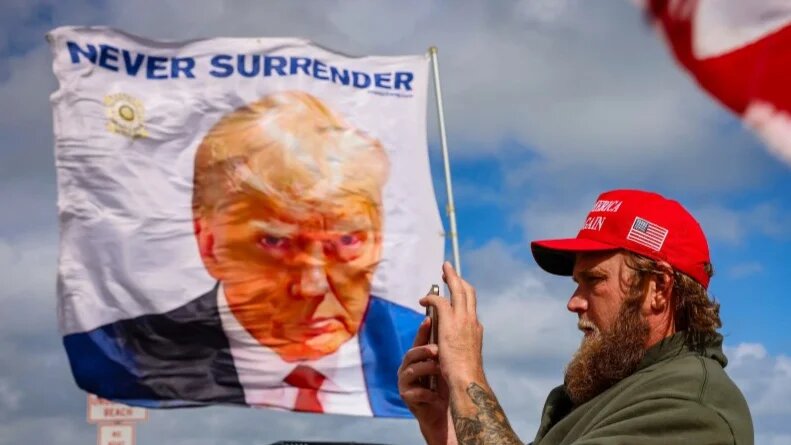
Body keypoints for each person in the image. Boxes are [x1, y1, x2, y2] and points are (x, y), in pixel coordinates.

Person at [64, 91, 422, 416]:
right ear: (209, 244)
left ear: (378, 240)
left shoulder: (420, 352)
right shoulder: (127, 355)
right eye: (275, 242)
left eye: (346, 241)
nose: (312, 286)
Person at [398, 189, 753, 444]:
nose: (574, 303)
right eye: (576, 283)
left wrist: (464, 375)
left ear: (658, 288)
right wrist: (445, 425)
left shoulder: (689, 406)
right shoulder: (613, 393)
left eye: (594, 280)